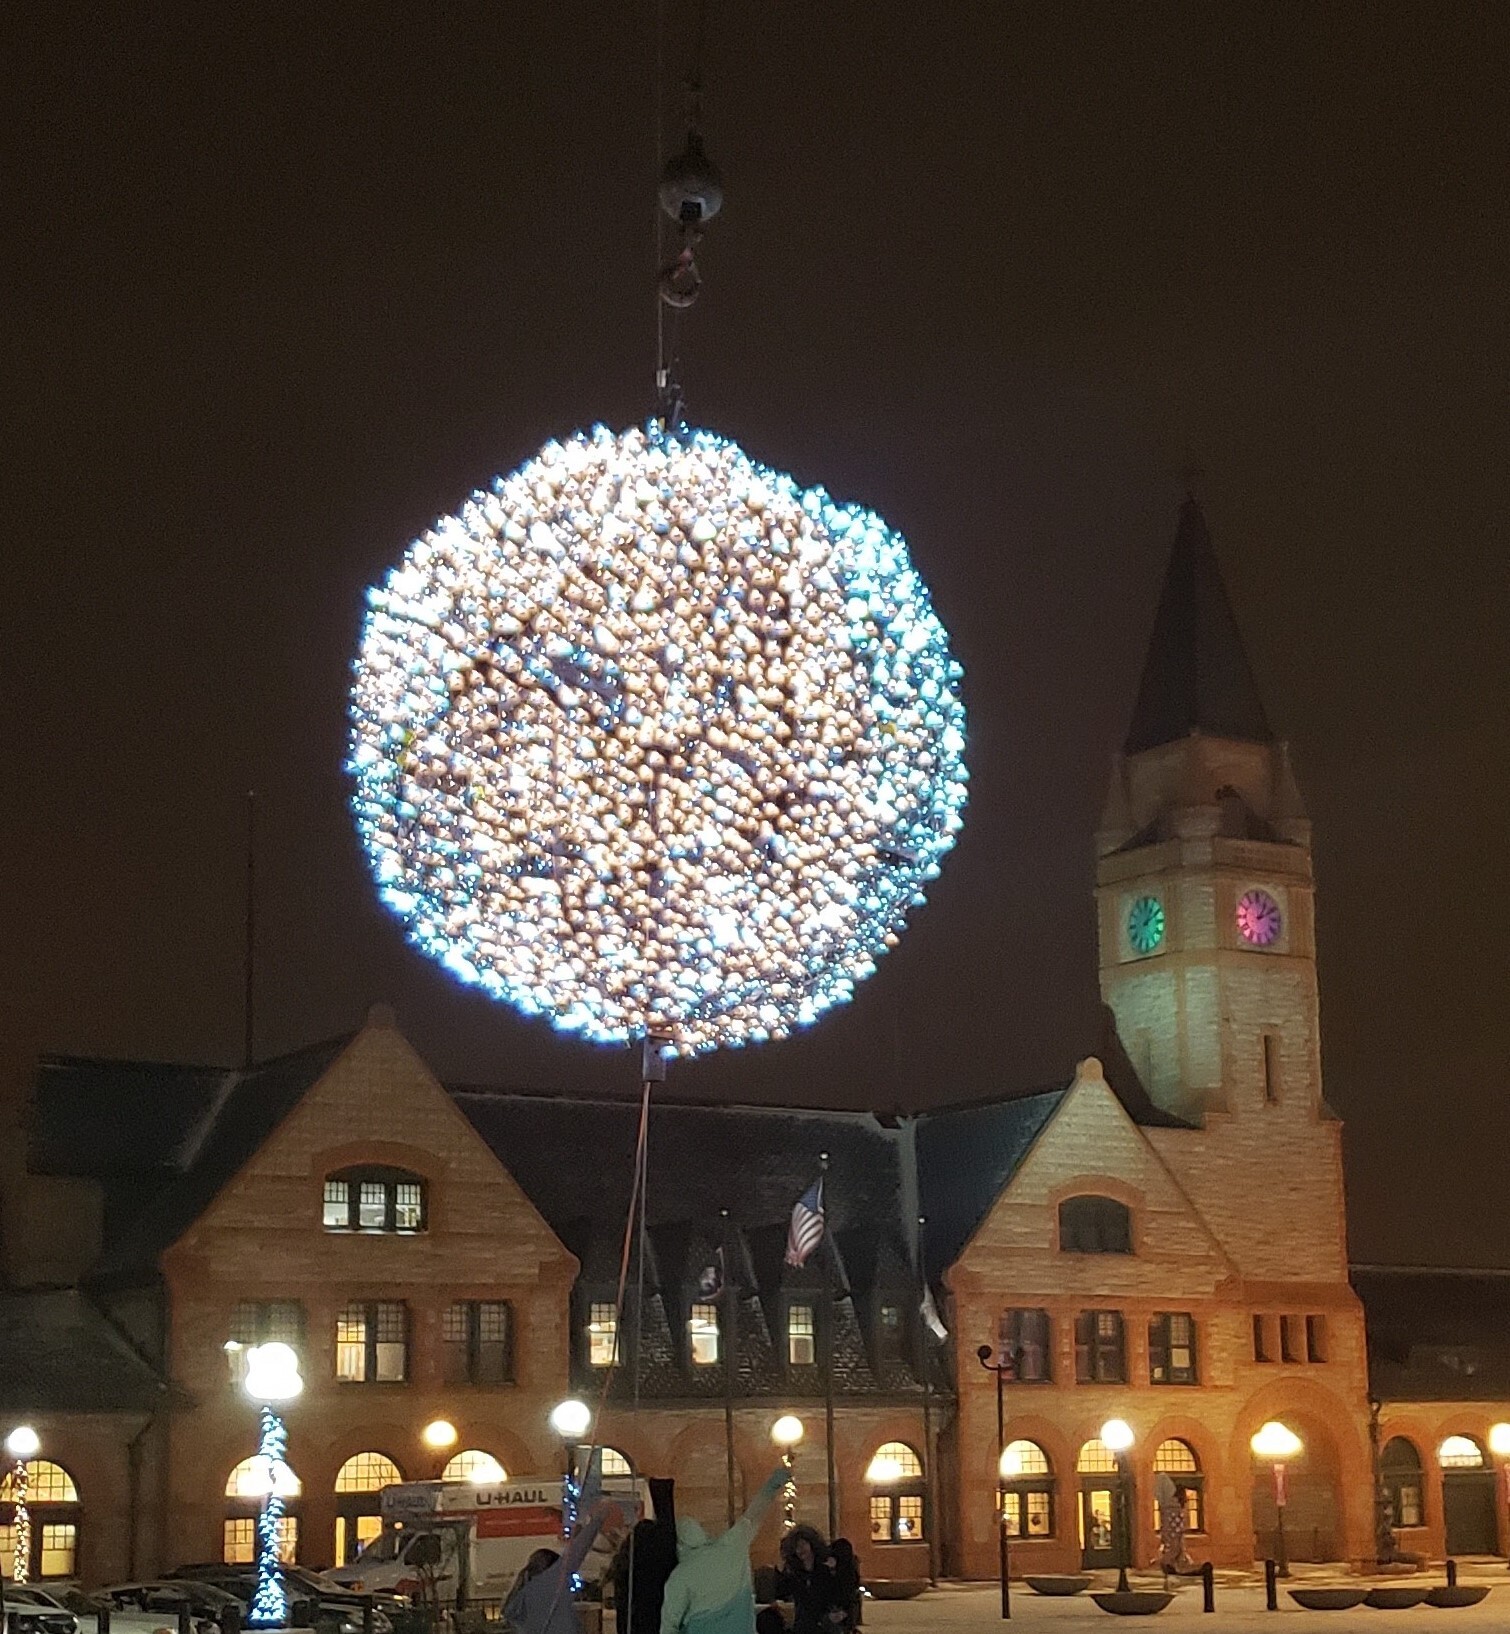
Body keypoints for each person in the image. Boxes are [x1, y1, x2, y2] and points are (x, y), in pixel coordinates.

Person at [659, 1466, 786, 1634]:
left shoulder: (680, 1576)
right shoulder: (731, 1547)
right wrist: (773, 1484)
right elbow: (754, 1514)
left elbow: (669, 1624)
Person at [776, 1526, 843, 1634]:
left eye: (803, 1545)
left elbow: (837, 1592)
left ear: (812, 1544)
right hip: (804, 1624)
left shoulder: (825, 1568)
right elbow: (782, 1592)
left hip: (826, 1622)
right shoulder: (793, 1572)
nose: (800, 1550)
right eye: (796, 1547)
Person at [828, 1539, 862, 1630]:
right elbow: (855, 1582)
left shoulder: (835, 1567)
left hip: (839, 1602)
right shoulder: (850, 1565)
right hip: (847, 1603)